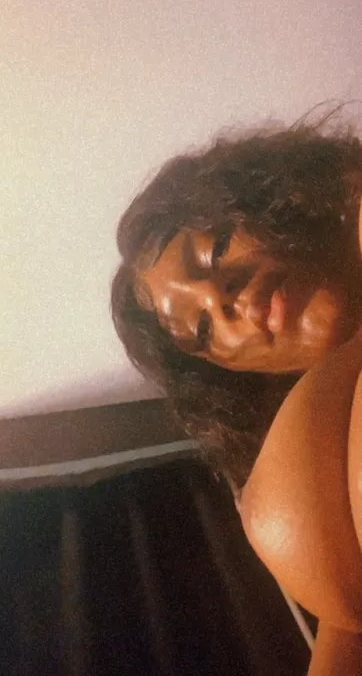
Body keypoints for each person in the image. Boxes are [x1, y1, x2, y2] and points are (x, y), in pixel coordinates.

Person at [111, 102, 362, 674]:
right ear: (234, 377)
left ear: (275, 202)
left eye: (215, 248)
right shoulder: (318, 471)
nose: (218, 298)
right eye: (201, 330)